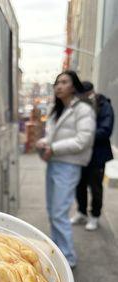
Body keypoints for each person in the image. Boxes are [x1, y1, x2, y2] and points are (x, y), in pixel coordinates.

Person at [36, 71, 96, 269]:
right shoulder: (57, 108)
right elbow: (52, 137)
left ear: (74, 86)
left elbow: (83, 140)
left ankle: (68, 257)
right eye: (56, 83)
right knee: (53, 211)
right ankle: (57, 252)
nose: (59, 86)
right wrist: (43, 143)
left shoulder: (83, 109)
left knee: (59, 213)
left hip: (68, 165)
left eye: (64, 82)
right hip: (54, 163)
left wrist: (53, 148)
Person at [70, 81, 114, 230]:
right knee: (79, 186)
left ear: (90, 93)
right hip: (81, 156)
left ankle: (95, 216)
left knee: (95, 188)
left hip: (97, 156)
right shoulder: (79, 107)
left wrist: (85, 136)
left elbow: (106, 130)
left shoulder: (104, 105)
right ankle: (81, 212)